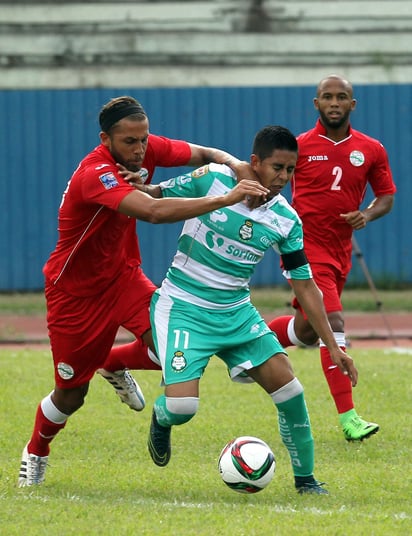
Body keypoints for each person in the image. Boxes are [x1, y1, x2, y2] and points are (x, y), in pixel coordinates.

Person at [17, 96, 269, 487]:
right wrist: (224, 198)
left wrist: (235, 165)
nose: (139, 150)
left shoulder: (146, 150)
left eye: (144, 139)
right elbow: (151, 212)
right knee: (71, 395)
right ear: (106, 139)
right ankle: (36, 451)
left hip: (124, 278)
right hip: (75, 295)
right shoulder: (95, 174)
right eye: (129, 142)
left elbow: (205, 153)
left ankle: (113, 363)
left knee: (169, 348)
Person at [144, 125, 358, 495]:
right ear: (255, 162)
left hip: (237, 314)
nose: (283, 178)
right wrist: (129, 184)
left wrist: (333, 347)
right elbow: (155, 196)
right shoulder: (212, 180)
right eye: (277, 167)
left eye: (291, 170)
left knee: (291, 390)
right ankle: (162, 419)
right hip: (184, 307)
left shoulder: (286, 220)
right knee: (182, 408)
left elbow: (306, 287)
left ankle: (306, 481)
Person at [267, 75, 396, 441]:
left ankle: (247, 342)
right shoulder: (299, 147)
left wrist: (367, 214)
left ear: (352, 105)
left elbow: (386, 195)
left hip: (341, 250)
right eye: (327, 97)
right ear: (316, 103)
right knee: (333, 319)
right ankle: (349, 419)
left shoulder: (370, 149)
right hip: (304, 246)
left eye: (342, 97)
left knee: (307, 329)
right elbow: (269, 178)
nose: (334, 102)